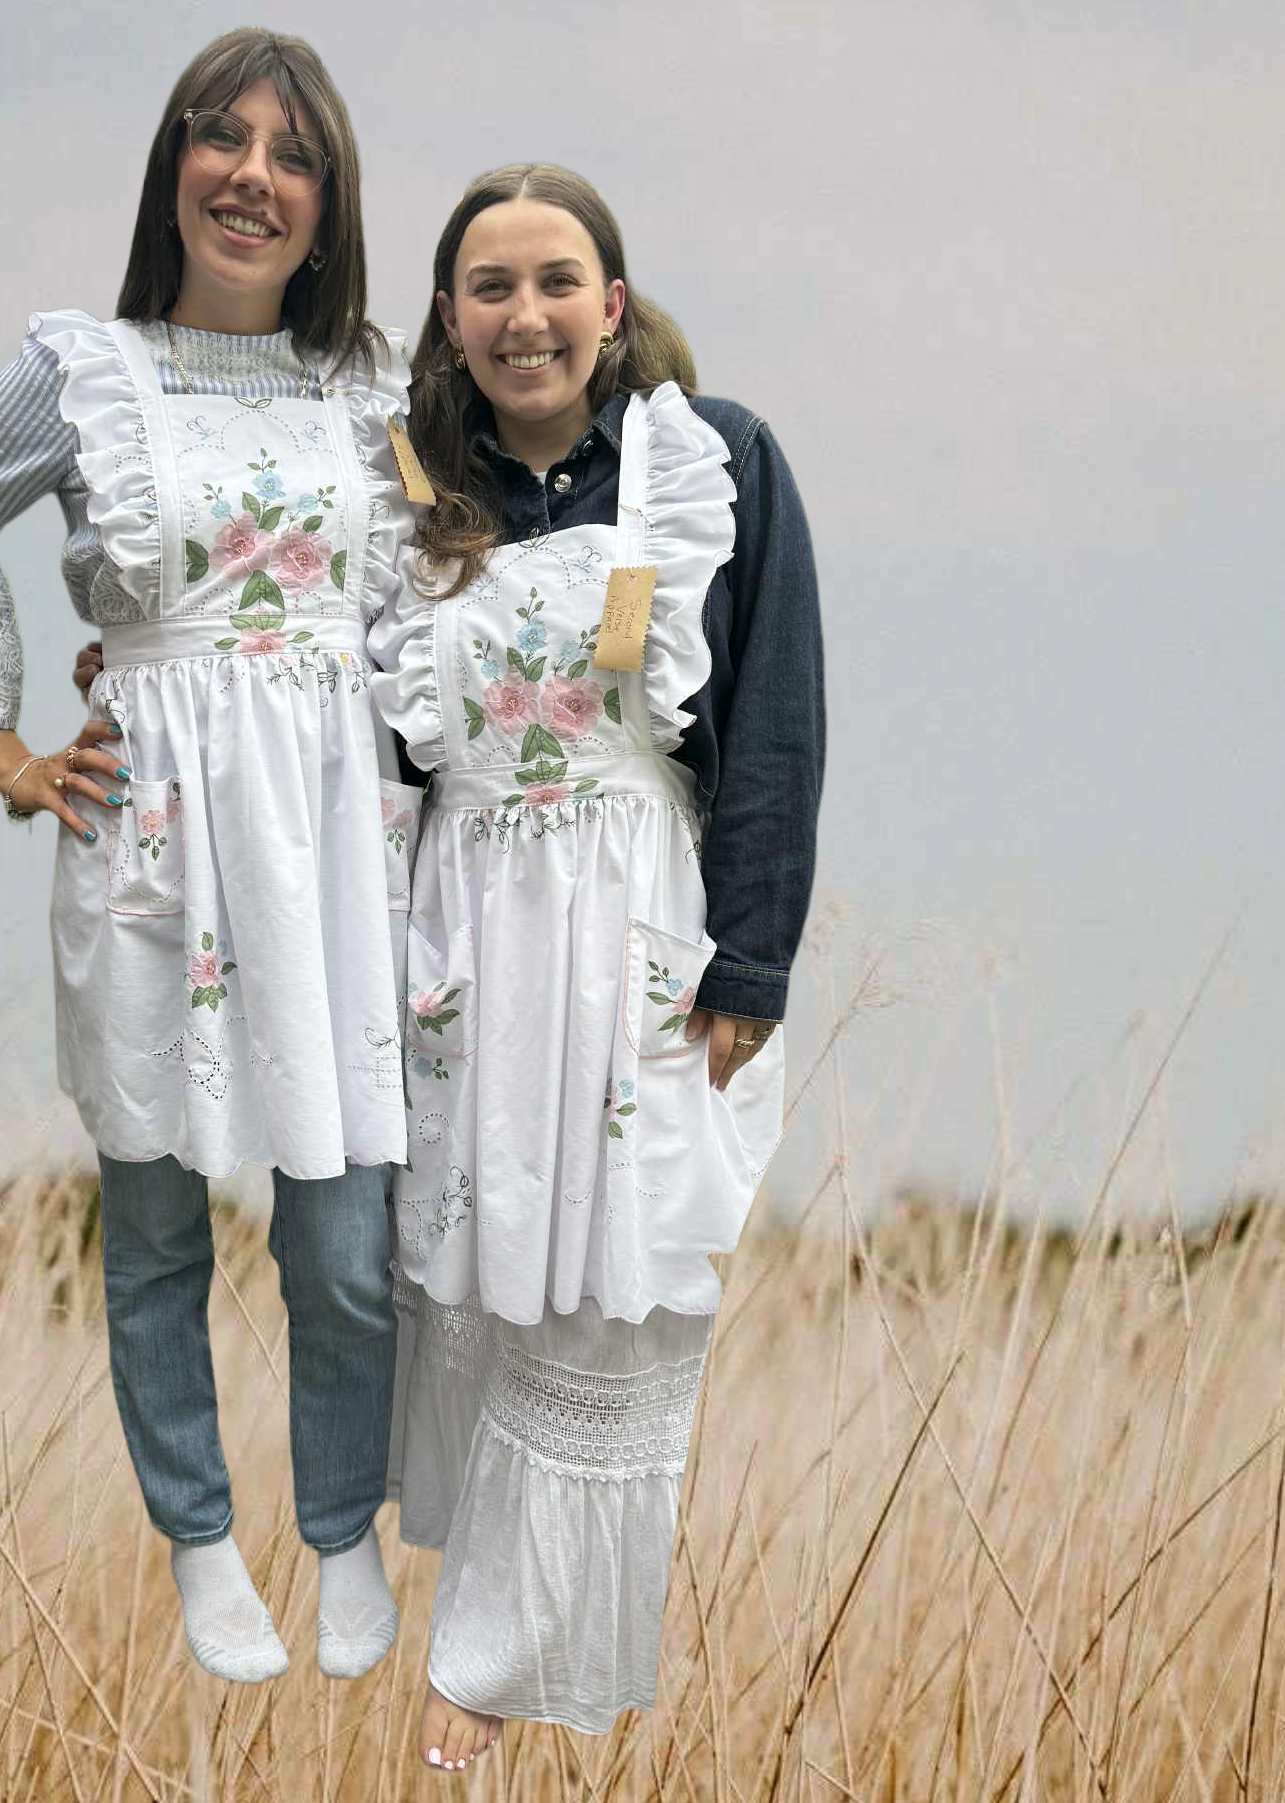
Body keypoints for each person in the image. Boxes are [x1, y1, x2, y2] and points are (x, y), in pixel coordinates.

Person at [0, 28, 426, 1685]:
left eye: (289, 154)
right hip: (150, 828)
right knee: (155, 1222)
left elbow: (449, 578)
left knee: (349, 1246)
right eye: (219, 139)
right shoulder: (84, 368)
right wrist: (11, 755)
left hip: (328, 841)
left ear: (327, 203)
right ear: (174, 168)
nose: (251, 174)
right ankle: (201, 1537)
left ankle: (340, 1522)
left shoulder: (374, 386)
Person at [370, 164, 825, 1769]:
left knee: (619, 1273)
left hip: (638, 918)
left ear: (612, 304)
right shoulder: (411, 495)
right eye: (490, 288)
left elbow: (773, 715)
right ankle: (478, 1634)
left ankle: (493, 1668)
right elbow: (369, 745)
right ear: (451, 317)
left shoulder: (715, 466)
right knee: (487, 1257)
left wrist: (754, 961)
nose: (526, 315)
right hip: (465, 934)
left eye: (557, 281)